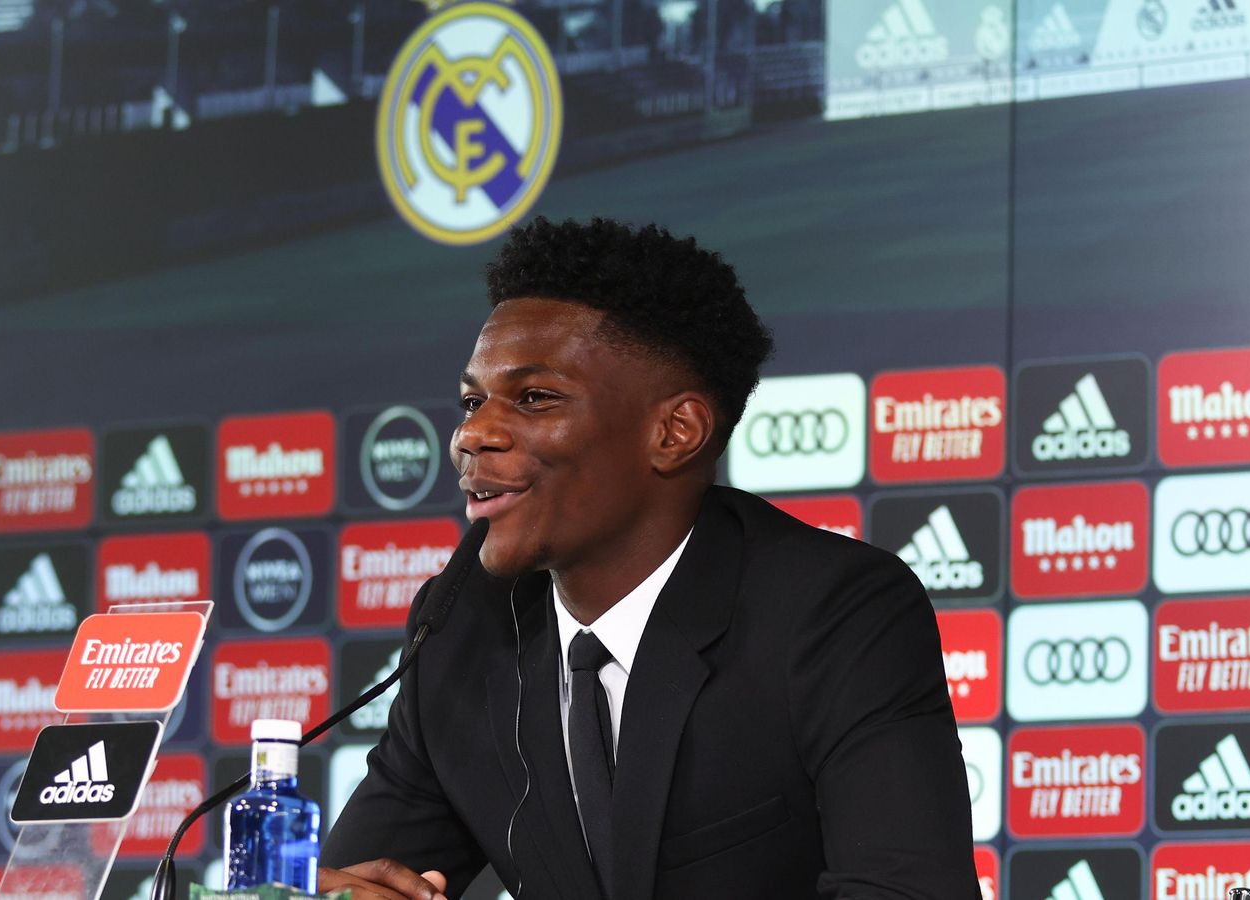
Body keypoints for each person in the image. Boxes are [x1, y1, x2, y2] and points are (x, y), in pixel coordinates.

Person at [319, 217, 977, 899]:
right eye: (471, 401)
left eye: (535, 398)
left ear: (674, 431)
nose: (472, 434)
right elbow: (353, 883)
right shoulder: (461, 630)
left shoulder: (832, 614)